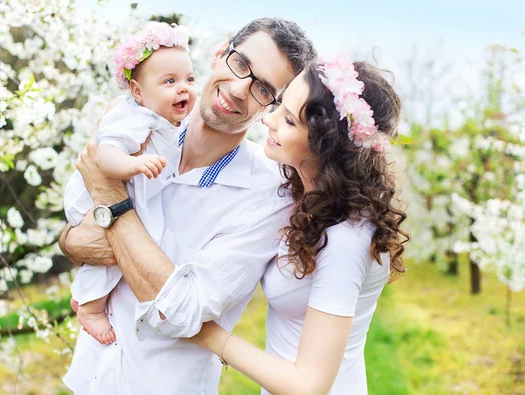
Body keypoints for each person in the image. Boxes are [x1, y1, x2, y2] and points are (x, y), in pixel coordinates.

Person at [60, 18, 317, 394]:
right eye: (241, 65)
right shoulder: (135, 125)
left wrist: (111, 198)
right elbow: (78, 227)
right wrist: (70, 241)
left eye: (263, 88)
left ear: (273, 108)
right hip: (92, 376)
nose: (238, 90)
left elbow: (180, 310)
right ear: (218, 55)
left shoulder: (268, 198)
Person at [189, 57, 410, 394]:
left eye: (288, 120)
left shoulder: (345, 240)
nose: (268, 119)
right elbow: (218, 146)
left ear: (325, 143)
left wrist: (207, 333)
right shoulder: (306, 193)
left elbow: (308, 384)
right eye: (278, 105)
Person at [63, 22, 196, 345]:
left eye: (189, 79)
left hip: (116, 195)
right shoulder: (133, 117)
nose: (183, 88)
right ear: (137, 92)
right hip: (91, 198)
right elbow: (103, 155)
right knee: (115, 248)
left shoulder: (168, 119)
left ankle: (87, 297)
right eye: (169, 81)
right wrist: (132, 163)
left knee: (126, 242)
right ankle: (90, 307)